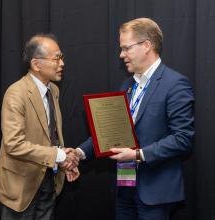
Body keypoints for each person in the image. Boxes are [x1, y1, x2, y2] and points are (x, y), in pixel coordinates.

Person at [76, 18, 194, 220]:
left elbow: (182, 139)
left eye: (126, 48)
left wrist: (137, 155)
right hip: (125, 188)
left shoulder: (175, 84)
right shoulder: (126, 85)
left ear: (147, 45)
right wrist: (78, 153)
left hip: (155, 193)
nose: (121, 55)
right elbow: (111, 131)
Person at [0, 34, 79, 220]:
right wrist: (59, 156)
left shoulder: (53, 90)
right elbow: (14, 144)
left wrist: (64, 161)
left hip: (49, 180)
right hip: (19, 187)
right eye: (56, 58)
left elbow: (50, 135)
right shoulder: (16, 93)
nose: (62, 63)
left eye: (61, 57)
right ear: (36, 64)